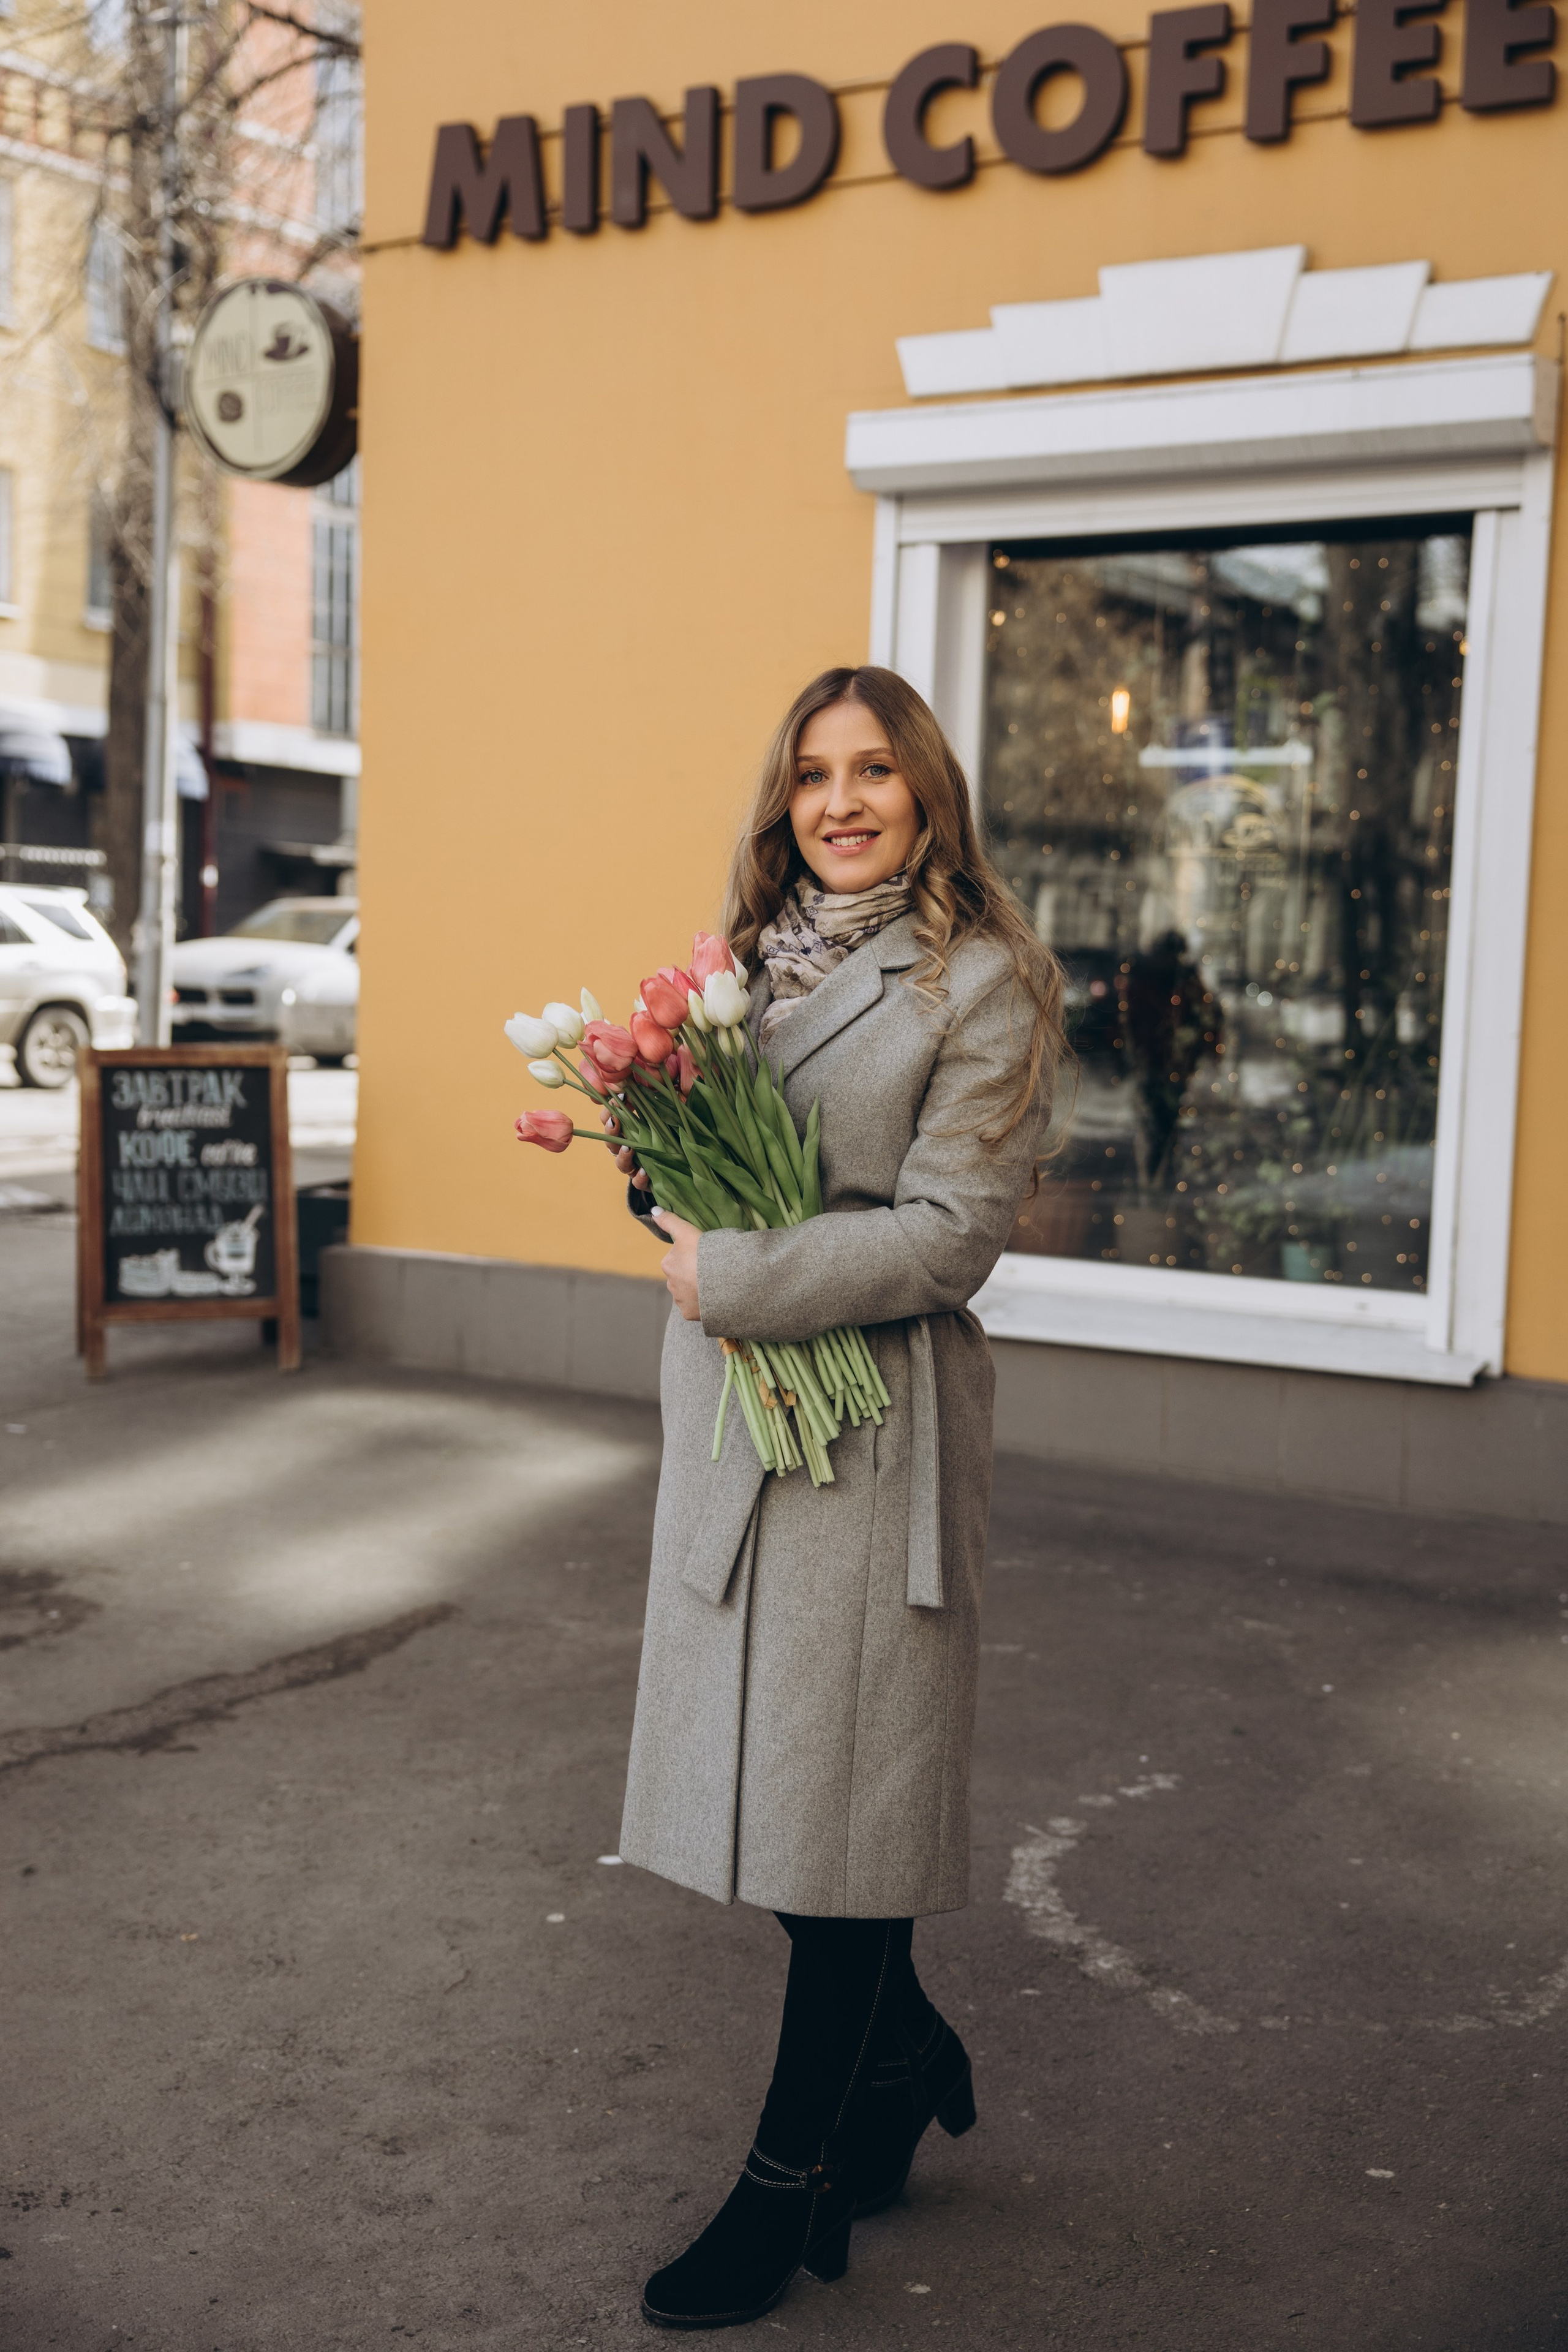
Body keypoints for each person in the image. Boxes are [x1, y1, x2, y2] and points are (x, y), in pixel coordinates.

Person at [608, 665, 1066, 2330]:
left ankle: (786, 2188)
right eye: (813, 775)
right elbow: (715, 1161)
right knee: (792, 1792)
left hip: (878, 1439)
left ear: (928, 789)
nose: (842, 802)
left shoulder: (984, 983)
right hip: (745, 1425)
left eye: (875, 771)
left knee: (846, 1808)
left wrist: (731, 1268)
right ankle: (910, 2050)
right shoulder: (747, 962)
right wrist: (657, 1154)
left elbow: (953, 1233)